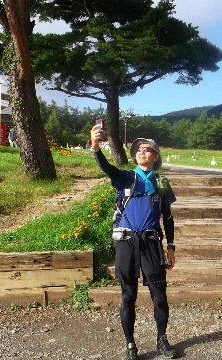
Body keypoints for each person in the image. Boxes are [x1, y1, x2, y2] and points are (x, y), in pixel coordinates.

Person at [90, 125, 178, 360]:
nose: (142, 152)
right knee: (128, 295)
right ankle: (130, 345)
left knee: (159, 296)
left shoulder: (162, 183)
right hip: (127, 243)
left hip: (151, 242)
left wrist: (171, 247)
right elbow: (106, 168)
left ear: (156, 156)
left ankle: (162, 340)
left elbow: (167, 217)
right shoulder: (125, 177)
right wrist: (96, 147)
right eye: (138, 149)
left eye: (147, 149)